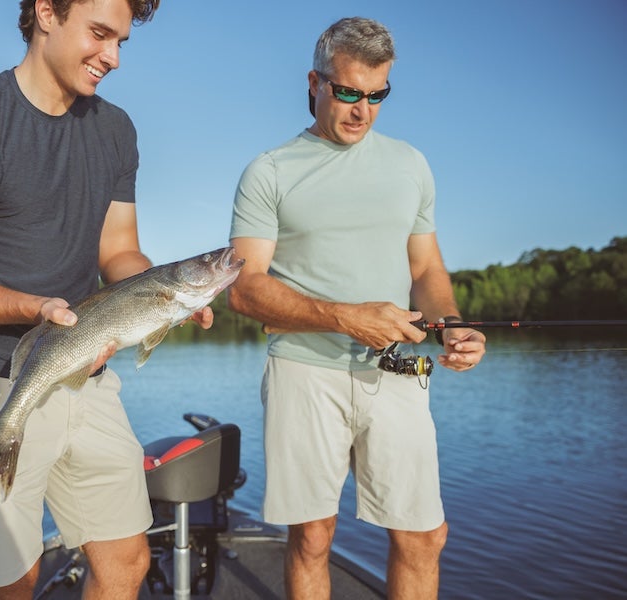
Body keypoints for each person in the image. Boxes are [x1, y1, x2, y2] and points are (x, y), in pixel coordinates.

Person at [0, 1, 213, 598]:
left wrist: (170, 292)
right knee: (10, 581)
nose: (114, 57)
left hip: (88, 373)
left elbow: (121, 253)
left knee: (126, 561)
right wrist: (37, 308)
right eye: (100, 34)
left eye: (123, 41)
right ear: (45, 11)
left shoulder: (116, 128)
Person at [227, 16, 486, 600]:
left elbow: (426, 271)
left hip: (395, 371)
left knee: (424, 535)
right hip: (303, 370)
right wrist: (346, 316)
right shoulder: (268, 171)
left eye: (377, 96)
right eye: (348, 92)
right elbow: (245, 288)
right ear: (316, 82)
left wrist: (452, 325)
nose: (361, 110)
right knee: (313, 538)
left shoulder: (410, 165)